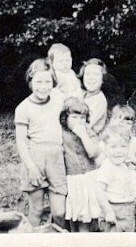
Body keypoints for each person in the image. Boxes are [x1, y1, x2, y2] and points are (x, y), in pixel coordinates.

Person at [14, 58, 67, 228]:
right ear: (30, 81)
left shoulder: (59, 101)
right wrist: (31, 168)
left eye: (47, 81)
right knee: (36, 210)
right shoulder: (23, 108)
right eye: (38, 81)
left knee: (60, 212)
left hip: (56, 159)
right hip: (34, 160)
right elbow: (21, 142)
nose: (43, 86)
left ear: (53, 82)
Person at [60, 97, 102, 232]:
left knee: (86, 217)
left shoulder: (88, 132)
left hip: (89, 179)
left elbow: (94, 153)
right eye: (74, 117)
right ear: (65, 118)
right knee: (74, 217)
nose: (79, 121)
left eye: (82, 118)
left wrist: (84, 135)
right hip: (73, 181)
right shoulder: (60, 133)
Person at [95, 125, 136, 232]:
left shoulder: (125, 163)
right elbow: (99, 191)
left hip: (128, 207)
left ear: (129, 147)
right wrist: (108, 211)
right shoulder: (107, 168)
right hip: (114, 208)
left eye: (123, 146)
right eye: (113, 147)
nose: (118, 151)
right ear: (105, 149)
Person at [106, 104, 136, 169]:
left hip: (127, 172)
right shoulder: (108, 138)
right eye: (121, 123)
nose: (125, 126)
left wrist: (133, 159)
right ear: (112, 121)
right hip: (110, 171)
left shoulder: (134, 141)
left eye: (128, 123)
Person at [79, 58, 108, 135]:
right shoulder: (82, 94)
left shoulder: (99, 100)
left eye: (96, 74)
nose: (91, 78)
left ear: (103, 79)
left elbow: (86, 126)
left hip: (86, 137)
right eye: (88, 74)